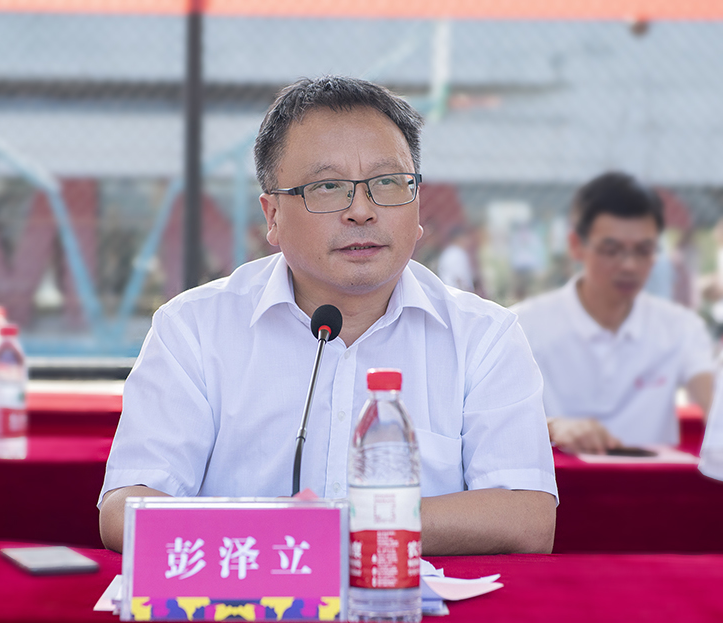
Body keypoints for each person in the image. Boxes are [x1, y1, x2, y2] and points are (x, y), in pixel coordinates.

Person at [98, 76, 557, 555]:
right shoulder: (193, 328)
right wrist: (300, 536)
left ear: (418, 204)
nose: (361, 211)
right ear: (272, 216)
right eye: (328, 187)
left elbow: (525, 518)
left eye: (387, 183)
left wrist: (331, 525)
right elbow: (127, 509)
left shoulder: (484, 336)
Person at [513, 172, 715, 454]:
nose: (629, 265)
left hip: (652, 480)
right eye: (611, 250)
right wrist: (551, 427)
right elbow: (489, 422)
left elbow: (713, 403)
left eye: (644, 250)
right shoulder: (521, 328)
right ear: (576, 245)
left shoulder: (680, 328)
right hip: (559, 482)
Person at [437, 225, 474, 291]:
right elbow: (460, 278)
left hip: (450, 290)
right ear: (459, 238)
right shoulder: (456, 253)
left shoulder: (449, 252)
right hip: (457, 291)